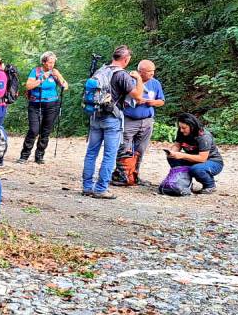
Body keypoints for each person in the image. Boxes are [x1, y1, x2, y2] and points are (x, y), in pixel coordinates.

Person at [81, 45, 144, 199]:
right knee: (109, 155)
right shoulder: (122, 75)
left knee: (91, 153)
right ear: (126, 59)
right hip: (112, 118)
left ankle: (87, 187)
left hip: (95, 116)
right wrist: (139, 79)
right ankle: (101, 189)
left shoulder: (101, 70)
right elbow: (137, 96)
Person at [18, 51, 67, 164]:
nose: (52, 65)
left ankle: (39, 156)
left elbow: (65, 86)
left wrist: (58, 75)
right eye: (50, 62)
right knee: (33, 130)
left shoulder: (54, 73)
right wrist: (41, 79)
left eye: (53, 63)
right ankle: (24, 155)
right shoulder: (35, 71)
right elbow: (28, 86)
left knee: (46, 131)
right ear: (44, 62)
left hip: (52, 105)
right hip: (35, 104)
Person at [120, 59, 165, 182]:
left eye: (153, 71)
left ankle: (134, 175)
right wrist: (134, 101)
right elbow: (120, 100)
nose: (152, 73)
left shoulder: (155, 83)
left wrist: (153, 102)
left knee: (140, 149)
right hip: (129, 120)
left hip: (147, 121)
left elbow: (161, 101)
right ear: (140, 72)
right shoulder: (130, 81)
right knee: (124, 147)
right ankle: (122, 174)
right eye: (149, 71)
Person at [164, 113, 223, 194]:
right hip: (194, 159)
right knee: (172, 158)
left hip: (212, 162)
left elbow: (202, 158)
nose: (181, 130)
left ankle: (210, 186)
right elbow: (177, 145)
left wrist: (182, 155)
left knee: (196, 169)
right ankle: (184, 181)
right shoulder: (181, 132)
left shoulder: (203, 136)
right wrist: (172, 153)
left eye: (184, 128)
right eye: (180, 127)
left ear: (192, 126)